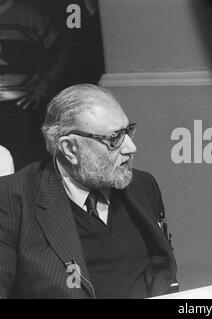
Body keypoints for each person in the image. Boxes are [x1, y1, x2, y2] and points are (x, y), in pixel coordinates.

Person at [0, 84, 178, 298]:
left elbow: (163, 270)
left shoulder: (143, 185)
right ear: (70, 149)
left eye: (128, 131)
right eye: (114, 138)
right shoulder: (12, 199)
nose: (131, 147)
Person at [0, 0, 71, 170]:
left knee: (24, 168)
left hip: (19, 105)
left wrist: (43, 85)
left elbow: (64, 52)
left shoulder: (30, 16)